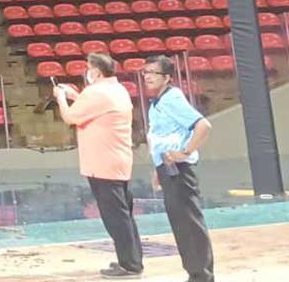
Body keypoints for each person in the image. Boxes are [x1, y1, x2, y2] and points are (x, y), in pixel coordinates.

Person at [54, 53, 141, 278]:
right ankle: (131, 260)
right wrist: (76, 94)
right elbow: (92, 106)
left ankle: (129, 265)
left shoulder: (96, 92)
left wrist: (61, 97)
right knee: (124, 214)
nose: (86, 71)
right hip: (117, 161)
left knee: (116, 217)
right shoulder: (117, 89)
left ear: (97, 72)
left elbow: (71, 117)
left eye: (88, 68)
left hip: (103, 164)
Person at [144, 56, 214, 282]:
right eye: (146, 72)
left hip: (181, 169)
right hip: (168, 168)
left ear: (167, 78)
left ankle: (201, 276)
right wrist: (158, 169)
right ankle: (195, 273)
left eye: (153, 72)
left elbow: (203, 126)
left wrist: (184, 151)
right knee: (181, 224)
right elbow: (161, 140)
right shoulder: (158, 102)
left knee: (189, 223)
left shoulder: (172, 99)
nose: (147, 76)